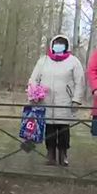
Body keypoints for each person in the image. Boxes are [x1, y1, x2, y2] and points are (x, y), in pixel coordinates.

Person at [28, 35, 85, 166]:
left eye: (61, 44)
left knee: (63, 130)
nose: (58, 46)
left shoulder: (73, 62)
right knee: (49, 130)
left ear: (66, 46)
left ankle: (63, 154)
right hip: (46, 102)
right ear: (52, 45)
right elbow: (34, 79)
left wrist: (76, 100)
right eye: (56, 43)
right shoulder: (43, 61)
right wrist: (33, 94)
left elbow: (79, 82)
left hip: (65, 102)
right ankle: (50, 154)